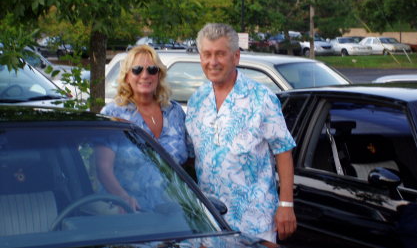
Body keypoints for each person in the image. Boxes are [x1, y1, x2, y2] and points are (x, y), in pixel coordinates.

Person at [185, 23, 297, 243]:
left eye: (220, 54)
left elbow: (283, 151)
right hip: (210, 221)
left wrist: (286, 204)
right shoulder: (196, 101)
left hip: (254, 220)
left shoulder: (261, 98)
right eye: (207, 54)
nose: (213, 61)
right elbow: (192, 156)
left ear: (236, 57)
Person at [97, 44, 188, 210]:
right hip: (128, 209)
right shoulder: (113, 114)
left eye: (152, 70)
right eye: (137, 70)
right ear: (126, 76)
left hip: (171, 209)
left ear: (159, 75)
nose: (145, 75)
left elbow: (188, 161)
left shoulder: (174, 112)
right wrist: (123, 198)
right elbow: (102, 168)